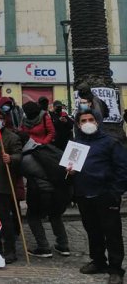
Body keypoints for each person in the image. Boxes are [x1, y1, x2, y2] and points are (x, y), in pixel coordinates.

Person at [69, 109, 127, 283]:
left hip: (105, 195)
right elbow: (69, 169)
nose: (87, 122)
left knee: (112, 233)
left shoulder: (110, 142)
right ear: (78, 125)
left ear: (97, 121)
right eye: (83, 120)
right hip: (84, 195)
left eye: (90, 119)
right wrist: (69, 172)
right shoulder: (75, 143)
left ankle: (116, 269)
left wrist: (114, 192)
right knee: (92, 231)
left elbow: (123, 169)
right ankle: (99, 261)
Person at [21, 135, 71, 258]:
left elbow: (20, 172)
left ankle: (43, 247)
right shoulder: (45, 149)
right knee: (55, 215)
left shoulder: (26, 158)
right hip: (59, 191)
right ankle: (63, 245)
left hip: (41, 192)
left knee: (33, 217)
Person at [0, 108, 23, 264]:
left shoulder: (11, 137)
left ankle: (10, 250)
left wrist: (11, 158)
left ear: (4, 120)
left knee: (5, 219)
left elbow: (19, 155)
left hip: (3, 183)